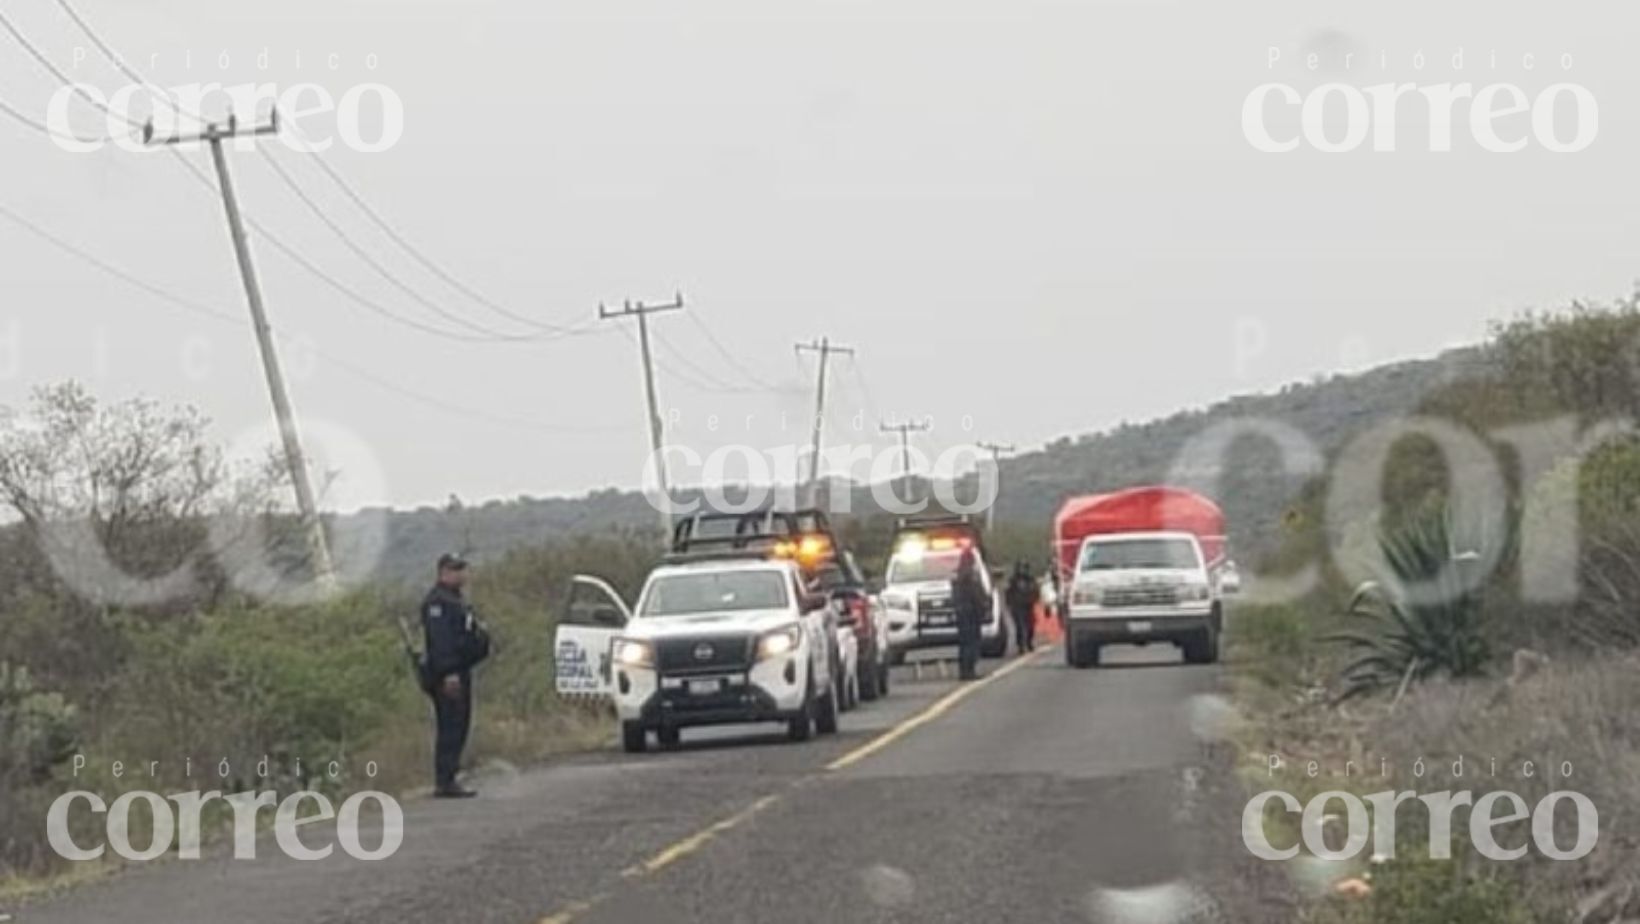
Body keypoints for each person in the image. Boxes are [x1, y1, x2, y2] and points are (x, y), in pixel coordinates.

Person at [421, 553, 491, 798]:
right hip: (447, 675)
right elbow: (441, 643)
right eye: (455, 569)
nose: (461, 574)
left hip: (460, 670)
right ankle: (445, 780)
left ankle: (451, 776)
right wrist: (449, 673)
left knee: (459, 725)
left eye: (462, 569)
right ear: (443, 572)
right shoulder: (438, 602)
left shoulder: (455, 600)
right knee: (450, 726)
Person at [950, 547, 987, 681]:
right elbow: (976, 595)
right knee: (971, 643)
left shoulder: (958, 576)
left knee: (965, 643)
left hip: (963, 613)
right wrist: (982, 607)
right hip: (970, 613)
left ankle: (965, 670)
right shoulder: (969, 576)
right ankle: (968, 670)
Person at [1005, 561, 1041, 654]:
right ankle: (1021, 645)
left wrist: (1036, 600)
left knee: (1030, 626)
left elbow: (1036, 591)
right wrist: (1009, 604)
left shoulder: (1031, 580)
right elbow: (1008, 593)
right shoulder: (1014, 580)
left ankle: (1029, 642)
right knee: (1020, 626)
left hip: (1028, 605)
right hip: (1017, 606)